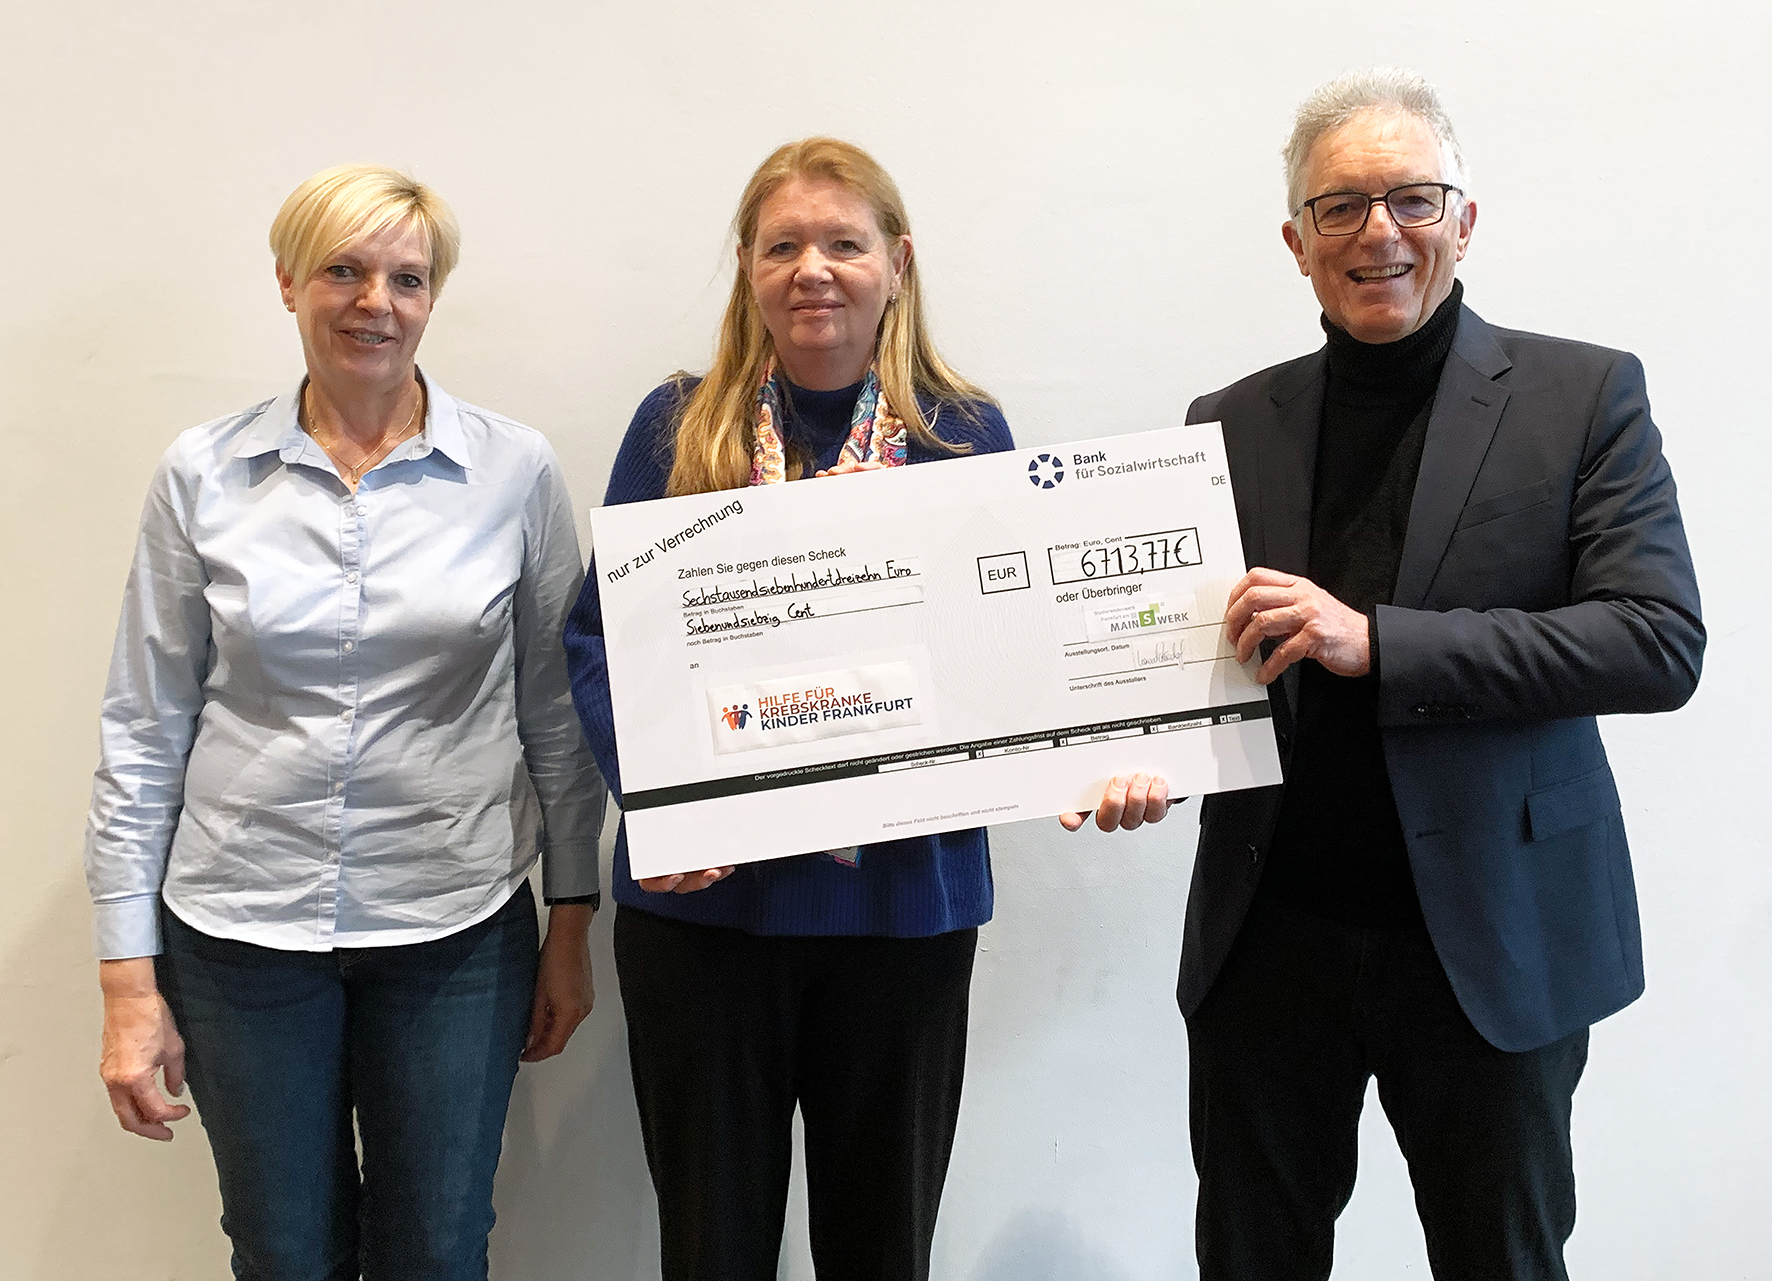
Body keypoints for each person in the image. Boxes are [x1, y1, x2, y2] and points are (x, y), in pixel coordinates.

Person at [1095, 68, 1704, 1279]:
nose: (1378, 230)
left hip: (1493, 935)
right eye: (1339, 206)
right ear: (1296, 243)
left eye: (1411, 199)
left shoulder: (1582, 394)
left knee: (1500, 1258)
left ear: (1462, 221)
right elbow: (1172, 656)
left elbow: (1654, 639)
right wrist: (1124, 754)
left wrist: (1380, 642)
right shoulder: (1222, 423)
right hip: (1270, 938)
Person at [85, 164, 606, 1281]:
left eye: (406, 279)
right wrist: (127, 981)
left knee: (437, 1251)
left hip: (454, 927)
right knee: (284, 1253)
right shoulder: (202, 474)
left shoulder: (512, 471)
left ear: (432, 297)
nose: (377, 302)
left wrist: (571, 916)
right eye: (344, 271)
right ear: (288, 283)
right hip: (240, 932)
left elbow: (554, 716)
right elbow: (144, 725)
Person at [563, 137, 1014, 1281]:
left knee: (880, 1251)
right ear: (747, 268)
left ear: (896, 262)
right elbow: (596, 640)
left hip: (901, 916)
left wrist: (1083, 753)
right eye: (782, 247)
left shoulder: (962, 436)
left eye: (842, 243)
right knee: (711, 1252)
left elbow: (1006, 654)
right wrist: (662, 803)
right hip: (704, 920)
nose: (812, 269)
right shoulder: (676, 428)